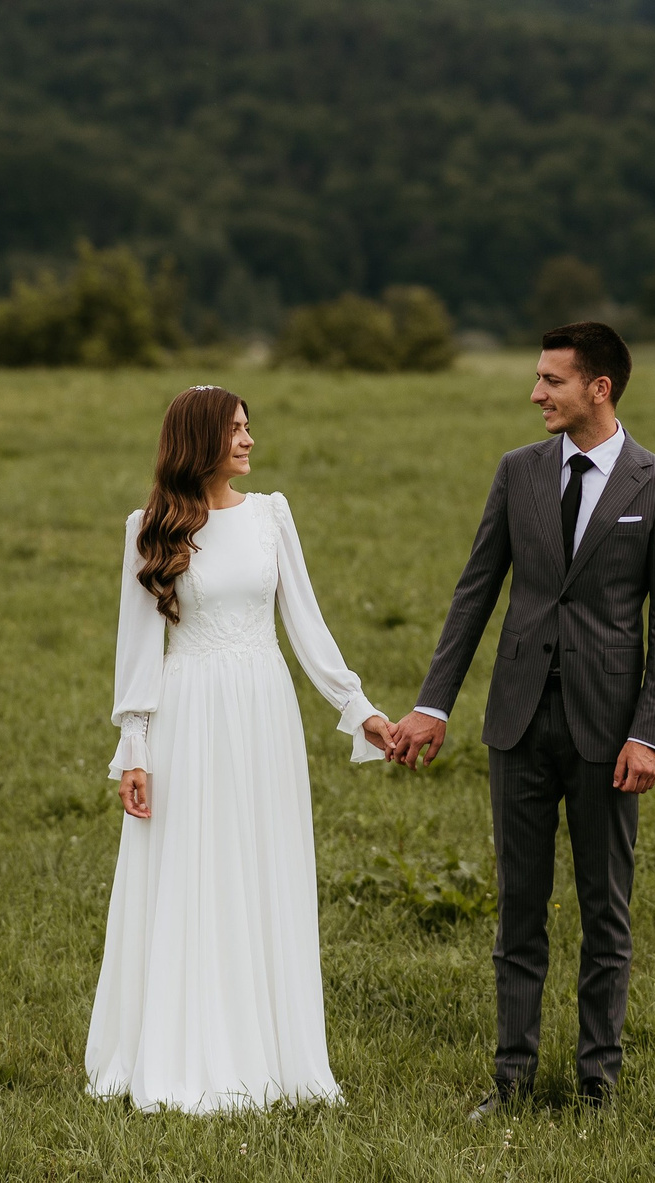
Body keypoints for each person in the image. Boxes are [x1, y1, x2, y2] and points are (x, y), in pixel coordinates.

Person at [386, 323, 655, 1115]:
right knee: (518, 912)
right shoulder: (517, 471)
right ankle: (511, 1080)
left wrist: (649, 731)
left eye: (552, 380)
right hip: (516, 724)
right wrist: (432, 702)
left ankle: (598, 1084)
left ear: (600, 388)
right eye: (537, 377)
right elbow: (476, 590)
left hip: (609, 730)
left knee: (605, 912)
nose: (535, 393)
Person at [86, 384, 393, 1114]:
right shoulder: (150, 528)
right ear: (200, 440)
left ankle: (276, 1052)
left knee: (262, 865)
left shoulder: (272, 516)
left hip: (264, 712)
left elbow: (307, 626)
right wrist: (135, 748)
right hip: (189, 716)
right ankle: (187, 1046)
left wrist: (359, 708)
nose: (250, 440)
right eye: (235, 430)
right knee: (194, 868)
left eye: (251, 427)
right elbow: (138, 649)